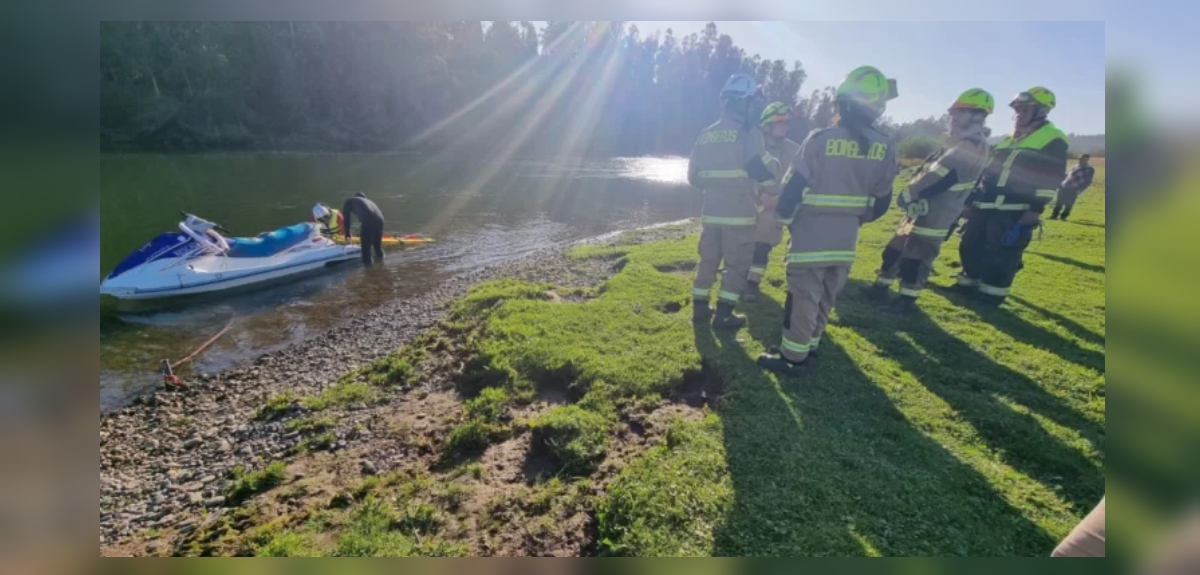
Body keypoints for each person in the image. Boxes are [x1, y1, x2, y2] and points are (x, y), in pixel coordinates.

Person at [758, 65, 899, 374]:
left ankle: (793, 357)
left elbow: (793, 188)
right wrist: (854, 219)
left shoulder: (821, 140)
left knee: (803, 297)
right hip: (846, 239)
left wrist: (782, 218)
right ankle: (811, 345)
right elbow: (882, 201)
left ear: (841, 104)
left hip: (811, 236)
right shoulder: (886, 147)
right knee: (826, 295)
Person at [863, 89, 994, 313]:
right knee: (896, 248)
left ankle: (906, 301)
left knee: (916, 256)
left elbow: (941, 177)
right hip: (923, 208)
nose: (953, 117)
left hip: (937, 211)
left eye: (960, 113)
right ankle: (881, 286)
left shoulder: (969, 146)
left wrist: (910, 194)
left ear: (978, 116)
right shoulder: (961, 142)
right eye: (953, 113)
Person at [955, 87, 1069, 306]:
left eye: (1025, 109)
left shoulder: (1052, 139)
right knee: (971, 244)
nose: (1019, 114)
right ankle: (967, 284)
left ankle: (991, 295)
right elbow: (987, 171)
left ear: (1042, 111)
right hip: (984, 204)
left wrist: (1035, 208)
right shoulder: (1008, 140)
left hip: (1014, 209)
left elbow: (1051, 178)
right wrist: (971, 200)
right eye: (1017, 109)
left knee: (1001, 252)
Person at [687, 73, 777, 329]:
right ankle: (724, 316)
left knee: (708, 260)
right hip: (739, 214)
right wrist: (775, 172)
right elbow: (762, 170)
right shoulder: (748, 133)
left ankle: (700, 309)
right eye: (753, 102)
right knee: (737, 265)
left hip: (711, 213)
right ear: (745, 103)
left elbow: (693, 176)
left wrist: (715, 188)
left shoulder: (706, 133)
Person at [743, 102, 802, 303]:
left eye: (786, 123)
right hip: (749, 200)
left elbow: (798, 180)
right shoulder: (755, 146)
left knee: (763, 242)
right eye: (779, 123)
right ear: (767, 125)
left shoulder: (795, 150)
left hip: (776, 206)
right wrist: (759, 194)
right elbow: (742, 172)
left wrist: (780, 200)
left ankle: (752, 283)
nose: (784, 127)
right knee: (741, 243)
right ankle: (737, 275)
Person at [342, 192, 386, 265]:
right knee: (377, 246)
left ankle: (368, 269)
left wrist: (347, 232)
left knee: (366, 250)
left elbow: (346, 218)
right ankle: (382, 264)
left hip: (368, 219)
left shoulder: (349, 201)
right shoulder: (369, 201)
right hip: (380, 219)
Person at [1051, 153, 1095, 221]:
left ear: (1086, 160)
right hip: (1064, 186)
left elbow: (1087, 181)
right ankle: (1054, 215)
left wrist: (1080, 189)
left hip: (1074, 188)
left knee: (1069, 204)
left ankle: (1063, 217)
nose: (1080, 160)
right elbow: (1067, 176)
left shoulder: (1089, 169)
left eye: (1082, 159)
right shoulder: (1074, 167)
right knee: (1059, 201)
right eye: (1079, 159)